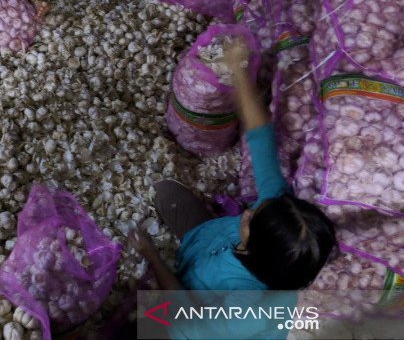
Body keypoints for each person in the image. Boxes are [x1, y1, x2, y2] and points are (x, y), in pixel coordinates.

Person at [129, 40, 337, 337]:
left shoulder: (247, 309)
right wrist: (239, 73)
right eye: (258, 209)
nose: (248, 212)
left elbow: (184, 314)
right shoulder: (278, 212)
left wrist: (150, 254)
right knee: (165, 192)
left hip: (192, 316)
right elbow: (260, 137)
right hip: (203, 244)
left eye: (253, 220)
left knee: (141, 324)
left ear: (257, 253)